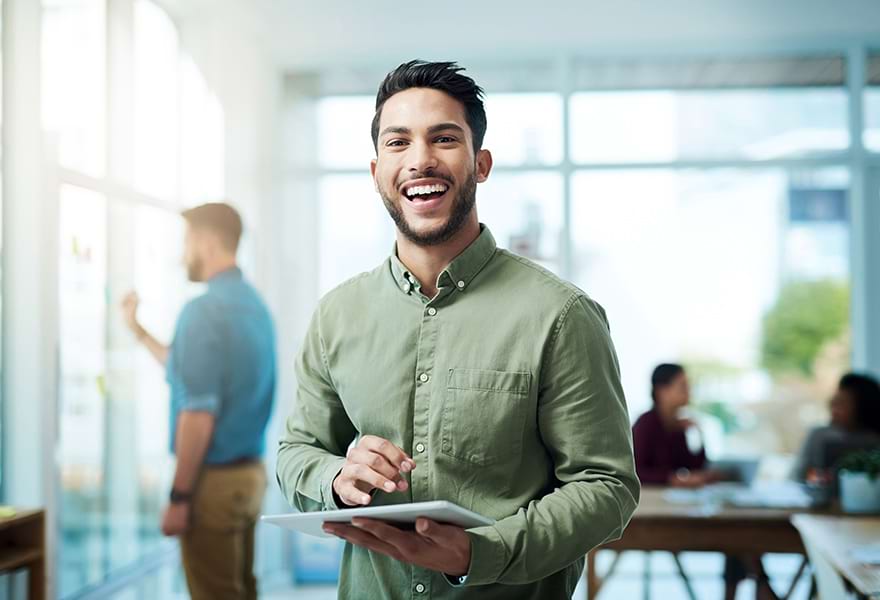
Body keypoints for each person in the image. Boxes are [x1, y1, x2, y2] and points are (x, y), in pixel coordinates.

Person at [276, 60, 639, 599]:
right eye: (398, 143)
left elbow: (606, 487)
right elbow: (296, 451)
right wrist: (333, 477)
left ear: (481, 164)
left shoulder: (561, 315)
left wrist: (481, 552)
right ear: (376, 170)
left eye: (444, 139)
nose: (420, 160)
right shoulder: (337, 315)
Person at [121, 202, 276, 600]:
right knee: (242, 590)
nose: (182, 254)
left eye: (186, 241)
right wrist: (137, 329)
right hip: (250, 477)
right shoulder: (254, 306)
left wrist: (179, 497)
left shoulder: (202, 311)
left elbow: (198, 412)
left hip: (213, 485)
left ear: (206, 242)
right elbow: (184, 368)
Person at [632, 363, 719, 488]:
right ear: (662, 391)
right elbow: (636, 472)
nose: (689, 391)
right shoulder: (645, 425)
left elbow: (692, 466)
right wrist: (673, 479)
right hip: (649, 500)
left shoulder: (677, 426)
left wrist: (698, 434)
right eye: (683, 386)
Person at [791, 372, 880, 482]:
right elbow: (797, 479)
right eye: (833, 402)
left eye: (841, 403)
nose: (833, 408)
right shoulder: (820, 435)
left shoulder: (874, 441)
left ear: (863, 408)